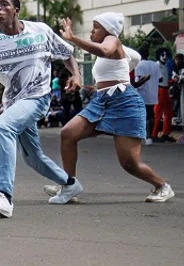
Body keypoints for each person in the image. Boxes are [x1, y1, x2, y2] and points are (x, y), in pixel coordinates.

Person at [0, 0, 82, 218]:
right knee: (32, 157)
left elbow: (65, 52)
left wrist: (76, 74)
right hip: (14, 103)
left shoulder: (40, 31)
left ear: (16, 10)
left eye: (4, 4)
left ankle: (3, 196)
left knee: (3, 126)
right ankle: (70, 184)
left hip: (38, 97)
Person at [45, 15, 174, 204]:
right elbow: (131, 58)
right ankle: (69, 184)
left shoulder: (112, 40)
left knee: (129, 163)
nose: (92, 31)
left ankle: (162, 186)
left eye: (96, 27)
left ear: (108, 29)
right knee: (68, 133)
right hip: (102, 101)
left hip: (125, 104)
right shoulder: (108, 51)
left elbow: (106, 50)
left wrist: (73, 38)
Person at [133, 45, 159, 146]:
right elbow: (160, 79)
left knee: (142, 116)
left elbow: (137, 81)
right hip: (153, 94)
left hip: (142, 94)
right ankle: (150, 136)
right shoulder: (155, 65)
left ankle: (143, 135)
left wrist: (144, 80)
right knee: (151, 115)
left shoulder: (139, 65)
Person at [152, 48, 175, 142]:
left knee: (168, 113)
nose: (165, 57)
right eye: (163, 55)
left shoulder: (164, 66)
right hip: (160, 90)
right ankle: (154, 134)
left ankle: (165, 133)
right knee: (158, 113)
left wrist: (171, 81)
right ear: (159, 56)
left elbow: (164, 79)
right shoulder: (157, 65)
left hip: (165, 90)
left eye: (166, 55)